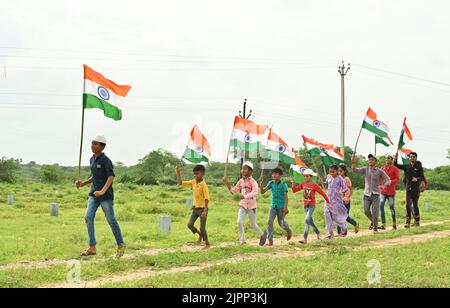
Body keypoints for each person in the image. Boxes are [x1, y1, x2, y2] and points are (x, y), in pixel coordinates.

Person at [75, 136, 125, 258]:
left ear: (102, 147)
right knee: (88, 217)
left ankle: (120, 244)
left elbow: (111, 177)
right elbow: (94, 176)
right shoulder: (92, 159)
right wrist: (83, 184)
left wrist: (102, 191)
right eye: (92, 143)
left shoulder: (105, 160)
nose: (92, 146)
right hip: (94, 194)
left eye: (95, 144)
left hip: (105, 196)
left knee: (111, 220)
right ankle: (92, 247)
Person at [224, 161, 267, 246]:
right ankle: (242, 241)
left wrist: (244, 196)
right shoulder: (240, 181)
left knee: (253, 224)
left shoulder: (253, 182)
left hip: (252, 206)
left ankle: (262, 234)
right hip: (242, 205)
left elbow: (255, 192)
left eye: (245, 168)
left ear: (250, 171)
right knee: (239, 222)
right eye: (242, 168)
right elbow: (234, 191)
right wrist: (228, 184)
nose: (242, 170)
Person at [176, 164, 211, 249]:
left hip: (202, 209)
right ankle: (199, 235)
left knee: (202, 228)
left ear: (202, 173)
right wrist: (178, 172)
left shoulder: (203, 184)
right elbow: (180, 183)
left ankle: (207, 243)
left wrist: (205, 211)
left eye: (197, 173)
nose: (195, 175)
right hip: (195, 208)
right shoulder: (193, 182)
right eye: (194, 174)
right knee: (190, 224)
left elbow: (206, 198)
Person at [291, 169, 330, 244]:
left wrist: (328, 202)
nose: (305, 177)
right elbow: (294, 190)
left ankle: (305, 238)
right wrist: (293, 183)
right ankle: (318, 233)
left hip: (312, 205)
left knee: (307, 220)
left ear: (311, 177)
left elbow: (322, 193)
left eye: (307, 176)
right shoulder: (303, 184)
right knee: (310, 221)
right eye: (304, 176)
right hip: (305, 206)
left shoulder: (314, 185)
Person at [259, 168, 292, 246]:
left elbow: (286, 197)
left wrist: (286, 207)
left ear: (280, 175)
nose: (274, 175)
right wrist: (261, 184)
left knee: (281, 223)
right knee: (269, 221)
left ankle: (288, 230)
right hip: (273, 206)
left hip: (281, 207)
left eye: (276, 174)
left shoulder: (284, 184)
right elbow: (262, 192)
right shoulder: (271, 183)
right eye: (273, 173)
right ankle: (270, 240)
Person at [394, 151, 425, 228]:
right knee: (408, 205)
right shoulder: (406, 166)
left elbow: (422, 177)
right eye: (411, 157)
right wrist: (396, 156)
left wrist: (417, 179)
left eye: (413, 157)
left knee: (415, 205)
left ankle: (417, 221)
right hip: (408, 189)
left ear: (416, 158)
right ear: (409, 158)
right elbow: (396, 165)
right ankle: (407, 223)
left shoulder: (419, 167)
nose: (412, 158)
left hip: (416, 189)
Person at [322, 165, 350, 239]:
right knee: (327, 215)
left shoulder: (340, 178)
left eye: (333, 172)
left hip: (336, 201)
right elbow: (325, 186)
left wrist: (346, 197)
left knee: (335, 217)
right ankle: (330, 234)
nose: (331, 173)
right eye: (330, 171)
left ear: (337, 171)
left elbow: (345, 189)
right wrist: (322, 183)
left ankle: (344, 227)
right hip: (328, 200)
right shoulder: (328, 177)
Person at [337, 164, 360, 235]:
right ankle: (340, 232)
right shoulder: (337, 179)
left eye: (341, 171)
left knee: (343, 216)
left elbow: (350, 189)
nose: (339, 173)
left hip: (346, 200)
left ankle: (354, 224)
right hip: (339, 200)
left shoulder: (346, 179)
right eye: (338, 171)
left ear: (344, 171)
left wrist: (348, 197)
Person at [380, 155, 401, 230]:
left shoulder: (395, 169)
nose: (387, 159)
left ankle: (394, 223)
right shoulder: (382, 168)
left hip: (391, 192)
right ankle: (383, 224)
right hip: (383, 191)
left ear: (392, 160)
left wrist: (390, 182)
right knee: (381, 205)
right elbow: (379, 177)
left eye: (388, 158)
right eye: (386, 158)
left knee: (391, 208)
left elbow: (397, 179)